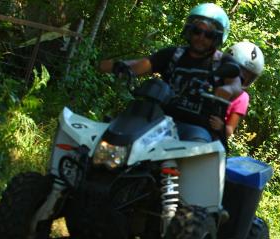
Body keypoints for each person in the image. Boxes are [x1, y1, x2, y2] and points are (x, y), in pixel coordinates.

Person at [98, 3, 242, 143]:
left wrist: (228, 89)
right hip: (159, 120)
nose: (201, 37)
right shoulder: (174, 54)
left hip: (197, 128)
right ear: (189, 30)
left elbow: (236, 85)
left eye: (208, 34)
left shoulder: (222, 61)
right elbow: (142, 65)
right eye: (197, 31)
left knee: (197, 150)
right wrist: (116, 66)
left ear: (216, 38)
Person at [209, 41, 265, 138]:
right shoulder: (211, 78)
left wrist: (221, 126)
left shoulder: (242, 98)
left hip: (213, 137)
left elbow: (230, 130)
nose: (242, 77)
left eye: (248, 76)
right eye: (239, 70)